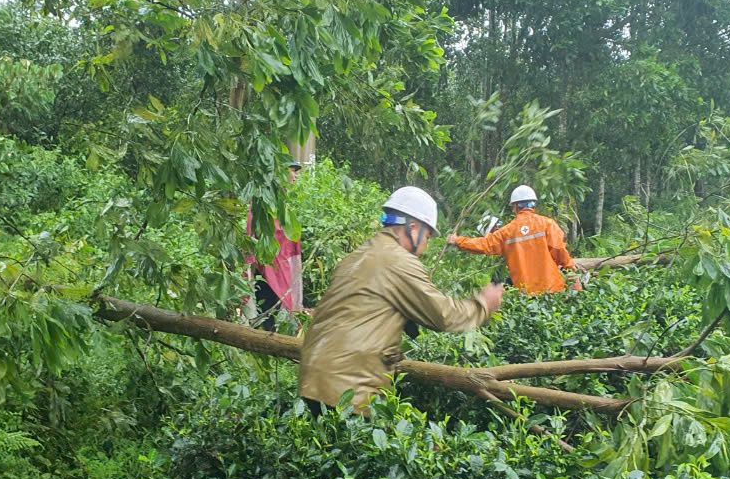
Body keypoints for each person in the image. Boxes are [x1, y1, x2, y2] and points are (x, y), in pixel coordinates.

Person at [298, 186, 503, 415]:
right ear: (412, 228)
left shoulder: (360, 254)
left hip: (315, 377)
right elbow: (443, 315)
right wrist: (483, 304)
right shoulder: (397, 261)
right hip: (348, 386)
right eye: (427, 236)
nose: (425, 245)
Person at [447, 185, 576, 294]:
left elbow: (484, 244)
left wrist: (458, 240)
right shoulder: (547, 224)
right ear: (534, 204)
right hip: (552, 289)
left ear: (515, 207)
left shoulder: (507, 232)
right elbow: (559, 250)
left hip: (526, 293)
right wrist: (570, 268)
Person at [246, 161, 303, 331]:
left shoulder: (280, 203)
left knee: (278, 318)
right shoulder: (264, 203)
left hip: (281, 270)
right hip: (268, 273)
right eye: (293, 171)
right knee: (269, 318)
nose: (296, 176)